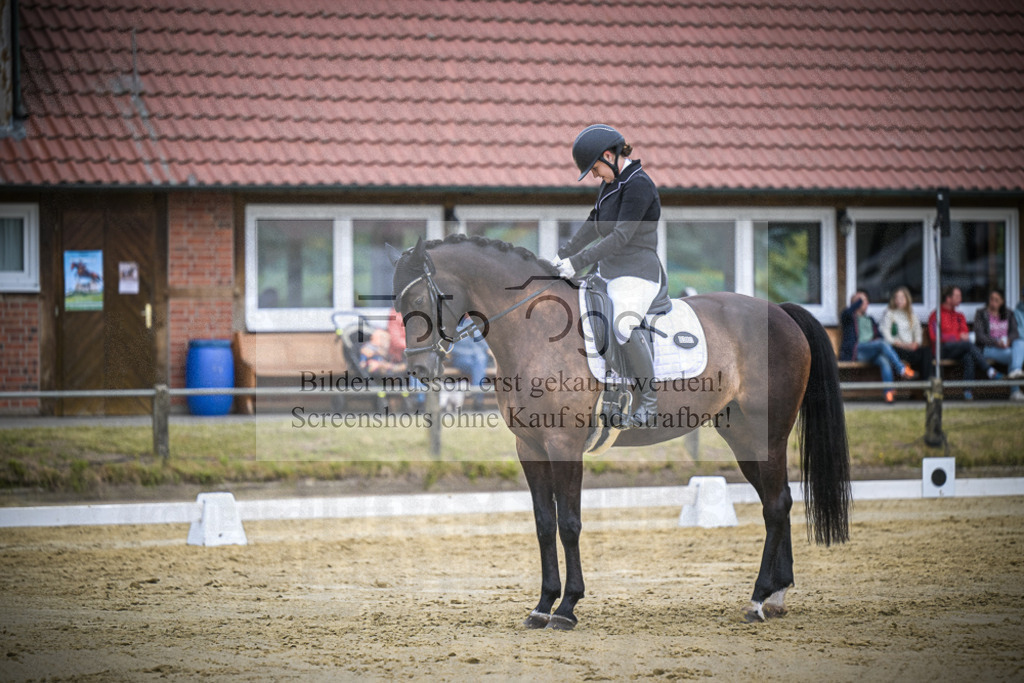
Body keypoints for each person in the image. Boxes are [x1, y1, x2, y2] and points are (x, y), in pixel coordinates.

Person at [553, 124, 666, 428]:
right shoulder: (612, 182)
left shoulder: (639, 185)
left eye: (595, 168)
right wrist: (563, 254)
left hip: (637, 272)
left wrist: (577, 262)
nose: (594, 175)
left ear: (609, 155)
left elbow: (620, 236)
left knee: (623, 326)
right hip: (609, 271)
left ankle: (648, 402)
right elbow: (593, 223)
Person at [839, 290, 914, 402]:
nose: (866, 303)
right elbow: (845, 313)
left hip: (871, 350)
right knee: (881, 343)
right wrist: (858, 301)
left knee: (883, 359)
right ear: (856, 303)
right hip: (857, 350)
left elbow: (878, 336)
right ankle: (901, 369)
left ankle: (888, 393)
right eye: (862, 301)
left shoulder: (870, 319)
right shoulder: (849, 318)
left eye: (865, 301)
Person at [928, 285, 1001, 400]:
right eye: (957, 296)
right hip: (941, 349)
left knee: (968, 356)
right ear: (948, 298)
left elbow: (965, 333)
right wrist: (957, 336)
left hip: (958, 349)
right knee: (967, 346)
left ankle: (968, 391)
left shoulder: (959, 316)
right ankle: (989, 370)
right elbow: (934, 337)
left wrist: (960, 337)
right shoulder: (936, 315)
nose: (960, 299)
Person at [973, 288, 1024, 401]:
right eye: (991, 299)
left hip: (1005, 347)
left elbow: (1015, 333)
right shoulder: (981, 313)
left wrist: (1009, 341)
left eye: (997, 300)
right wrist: (996, 343)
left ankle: (1016, 371)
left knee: (1019, 343)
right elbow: (980, 336)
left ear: (1002, 301)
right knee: (1013, 356)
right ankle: (1015, 390)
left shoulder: (1009, 313)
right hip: (987, 348)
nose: (993, 302)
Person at [880, 286, 927, 377]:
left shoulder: (912, 316)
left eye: (902, 298)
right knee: (894, 351)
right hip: (897, 348)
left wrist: (915, 344)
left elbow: (918, 333)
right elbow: (887, 337)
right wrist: (903, 345)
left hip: (910, 349)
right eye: (896, 297)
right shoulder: (889, 314)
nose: (899, 300)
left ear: (907, 299)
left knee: (926, 352)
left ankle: (927, 384)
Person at [450, 316, 492, 411]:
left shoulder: (476, 325)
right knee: (479, 364)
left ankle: (477, 397)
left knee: (480, 362)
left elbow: (484, 345)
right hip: (461, 357)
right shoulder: (454, 325)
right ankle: (478, 399)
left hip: (476, 359)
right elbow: (451, 347)